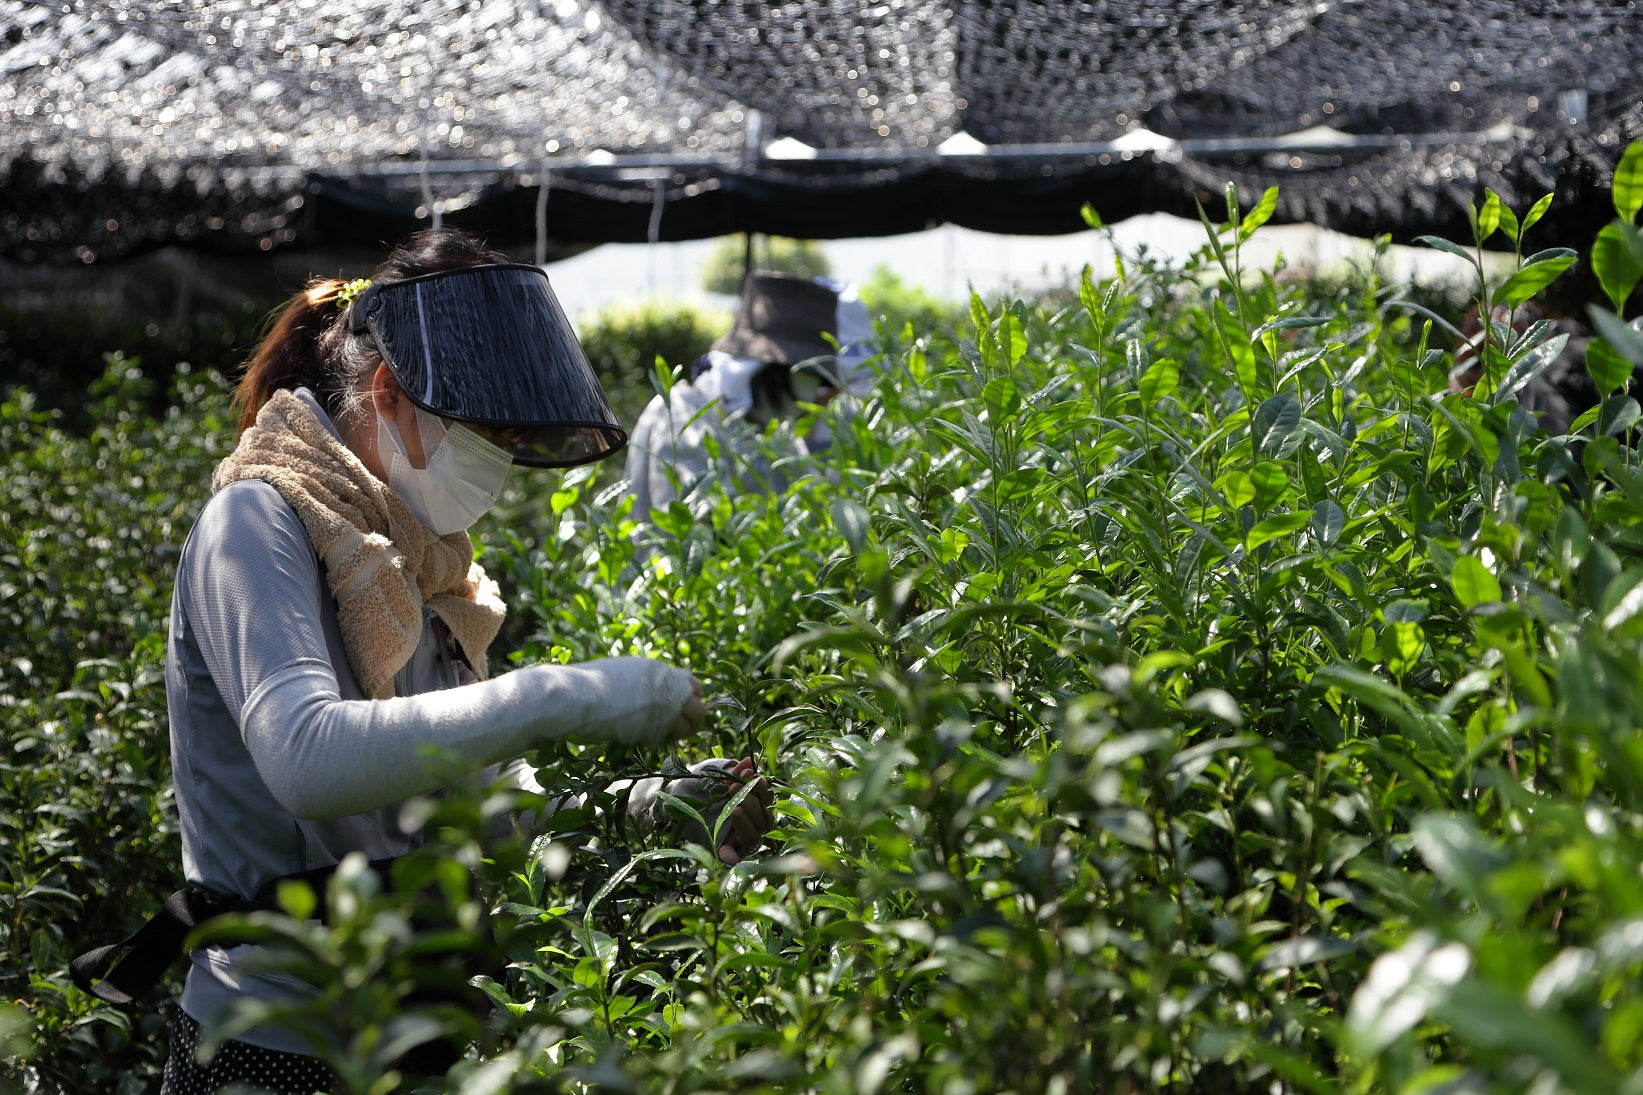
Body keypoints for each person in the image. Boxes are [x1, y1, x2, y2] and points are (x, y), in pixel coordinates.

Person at [149, 228, 773, 1092]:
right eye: (485, 430)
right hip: (277, 1040)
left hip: (422, 1022)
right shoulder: (256, 525)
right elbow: (308, 758)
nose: (497, 461)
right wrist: (567, 696)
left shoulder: (417, 564)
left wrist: (642, 805)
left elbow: (469, 805)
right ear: (389, 393)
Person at [624, 271, 877, 526]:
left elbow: (813, 506)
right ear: (768, 373)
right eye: (813, 381)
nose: (817, 400)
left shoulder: (776, 437)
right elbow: (697, 529)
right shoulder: (682, 416)